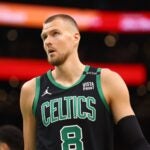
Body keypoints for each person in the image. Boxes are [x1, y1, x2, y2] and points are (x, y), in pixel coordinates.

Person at [20, 14, 150, 150]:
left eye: (55, 33)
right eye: (44, 36)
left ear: (76, 37)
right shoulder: (31, 89)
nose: (47, 41)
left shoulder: (107, 80)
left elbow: (137, 142)